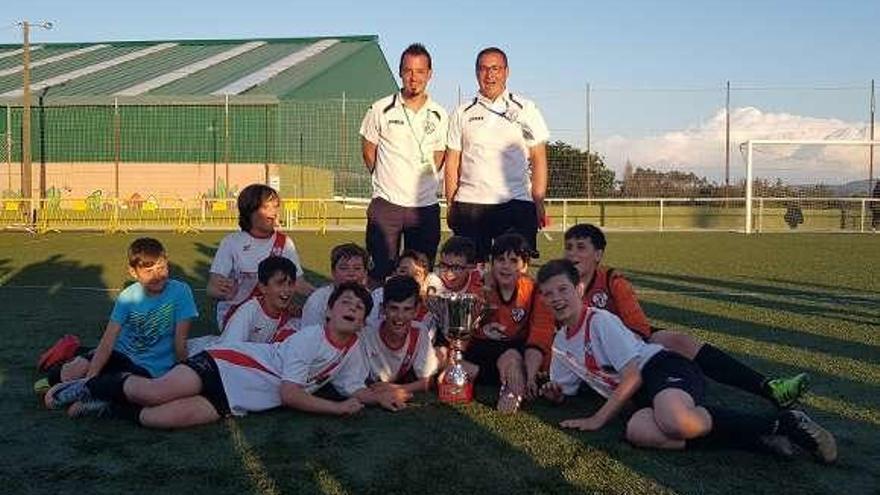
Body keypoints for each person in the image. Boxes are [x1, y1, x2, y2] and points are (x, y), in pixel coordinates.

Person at [536, 259, 837, 463]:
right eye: (548, 294)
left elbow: (632, 376)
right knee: (638, 432)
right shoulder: (561, 344)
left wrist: (597, 419)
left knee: (676, 421)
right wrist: (554, 393)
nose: (556, 298)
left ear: (578, 289)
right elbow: (565, 390)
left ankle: (783, 422)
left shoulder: (599, 320)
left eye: (563, 289)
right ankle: (758, 439)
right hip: (640, 398)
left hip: (662, 369)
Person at [45, 283, 408, 427]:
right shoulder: (309, 338)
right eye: (344, 302)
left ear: (363, 321)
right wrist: (336, 409)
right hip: (223, 365)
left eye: (359, 307)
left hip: (239, 400)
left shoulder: (353, 348)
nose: (352, 308)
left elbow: (351, 387)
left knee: (156, 419)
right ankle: (92, 385)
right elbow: (290, 394)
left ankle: (108, 402)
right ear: (328, 312)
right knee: (154, 391)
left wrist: (381, 396)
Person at [562, 223, 809, 408]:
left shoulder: (612, 280)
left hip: (626, 345)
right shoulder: (558, 286)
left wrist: (624, 348)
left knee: (674, 340)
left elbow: (638, 326)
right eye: (569, 247)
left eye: (581, 247)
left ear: (598, 255)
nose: (572, 254)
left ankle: (768, 387)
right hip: (585, 356)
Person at [43, 238, 199, 389]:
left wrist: (182, 376)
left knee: (120, 388)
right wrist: (88, 383)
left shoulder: (180, 291)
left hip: (150, 368)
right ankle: (71, 354)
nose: (157, 275)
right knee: (65, 375)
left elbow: (180, 341)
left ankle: (76, 352)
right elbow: (108, 342)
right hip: (119, 354)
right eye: (149, 271)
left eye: (161, 268)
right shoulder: (127, 296)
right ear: (133, 272)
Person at [444, 47, 550, 262]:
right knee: (472, 275)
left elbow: (538, 158)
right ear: (476, 73)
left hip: (516, 203)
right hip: (470, 205)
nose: (489, 75)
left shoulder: (525, 109)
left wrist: (538, 200)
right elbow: (452, 161)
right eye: (483, 69)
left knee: (514, 275)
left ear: (506, 72)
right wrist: (451, 202)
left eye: (496, 68)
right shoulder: (462, 113)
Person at [360, 43, 448, 286]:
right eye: (408, 70)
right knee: (380, 273)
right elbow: (369, 151)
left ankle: (419, 323)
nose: (414, 77)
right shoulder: (380, 109)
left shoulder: (440, 114)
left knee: (421, 275)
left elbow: (439, 157)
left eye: (420, 71)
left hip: (424, 207)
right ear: (400, 72)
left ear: (430, 74)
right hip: (387, 205)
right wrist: (387, 180)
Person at [462, 233, 555, 412]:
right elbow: (464, 330)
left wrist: (531, 377)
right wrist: (485, 293)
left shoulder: (535, 291)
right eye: (500, 260)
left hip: (515, 353)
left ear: (525, 266)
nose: (506, 266)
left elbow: (540, 334)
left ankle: (514, 390)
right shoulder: (480, 286)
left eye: (513, 261)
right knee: (449, 365)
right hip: (482, 352)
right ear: (492, 263)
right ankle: (486, 377)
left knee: (511, 356)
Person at [206, 184, 313, 330]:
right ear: (250, 211)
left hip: (274, 315)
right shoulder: (231, 242)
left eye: (275, 207)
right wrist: (224, 292)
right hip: (236, 315)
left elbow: (299, 284)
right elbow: (212, 288)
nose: (273, 212)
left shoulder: (284, 242)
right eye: (266, 207)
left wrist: (327, 295)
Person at [189, 256, 300, 354]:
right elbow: (227, 352)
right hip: (205, 357)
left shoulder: (288, 315)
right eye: (279, 283)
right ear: (263, 287)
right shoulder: (249, 311)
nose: (287, 290)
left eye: (290, 284)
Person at [362, 275, 439, 399]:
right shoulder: (366, 335)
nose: (400, 316)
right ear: (383, 309)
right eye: (394, 308)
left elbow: (428, 380)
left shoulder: (419, 332)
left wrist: (397, 389)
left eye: (407, 309)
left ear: (416, 310)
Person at [300, 243, 373, 329]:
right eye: (344, 268)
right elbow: (309, 335)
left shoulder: (372, 298)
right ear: (333, 272)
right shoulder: (318, 300)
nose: (351, 273)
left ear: (365, 272)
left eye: (357, 268)